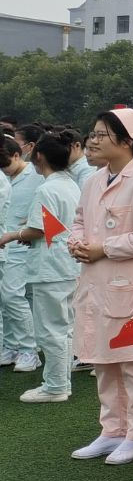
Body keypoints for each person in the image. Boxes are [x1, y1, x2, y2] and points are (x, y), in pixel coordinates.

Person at [68, 108, 133, 464]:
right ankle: (112, 429)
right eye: (93, 134)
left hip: (130, 286)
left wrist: (105, 248)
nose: (92, 141)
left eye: (101, 135)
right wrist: (76, 242)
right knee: (103, 360)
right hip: (95, 283)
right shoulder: (94, 180)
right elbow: (79, 220)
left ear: (126, 141)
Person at [11, 133, 81, 402]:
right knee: (64, 327)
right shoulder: (69, 184)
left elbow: (38, 230)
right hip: (67, 263)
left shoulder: (47, 188)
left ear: (39, 156)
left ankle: (55, 386)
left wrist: (11, 235)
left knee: (51, 329)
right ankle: (60, 381)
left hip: (51, 266)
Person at [0, 136, 42, 372]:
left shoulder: (36, 175)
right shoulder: (4, 176)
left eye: (6, 163)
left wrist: (34, 218)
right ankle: (10, 345)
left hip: (21, 243)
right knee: (4, 299)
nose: (4, 168)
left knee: (13, 296)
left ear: (17, 155)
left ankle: (29, 349)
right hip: (5, 244)